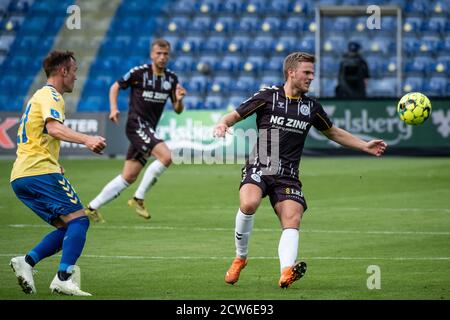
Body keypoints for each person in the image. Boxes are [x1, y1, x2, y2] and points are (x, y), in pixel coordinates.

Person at [213, 52, 386, 288]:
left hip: (288, 175)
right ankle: (240, 258)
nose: (311, 77)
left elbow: (332, 132)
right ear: (291, 72)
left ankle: (286, 271)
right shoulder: (268, 96)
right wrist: (223, 124)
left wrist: (364, 145)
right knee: (249, 204)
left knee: (292, 219)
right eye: (307, 72)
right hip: (260, 166)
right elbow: (234, 115)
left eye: (312, 73)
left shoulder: (311, 107)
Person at [9, 50, 107, 296]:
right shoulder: (51, 95)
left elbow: (35, 134)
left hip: (21, 176)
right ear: (63, 71)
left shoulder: (37, 97)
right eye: (74, 71)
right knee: (80, 220)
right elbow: (53, 128)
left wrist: (54, 161)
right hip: (39, 171)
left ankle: (27, 262)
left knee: (66, 227)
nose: (76, 77)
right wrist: (86, 139)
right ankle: (63, 277)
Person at [85, 38, 186, 222]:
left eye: (165, 54)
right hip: (136, 124)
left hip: (149, 129)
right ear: (151, 55)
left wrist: (179, 100)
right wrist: (114, 108)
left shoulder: (172, 79)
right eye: (159, 53)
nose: (162, 57)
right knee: (167, 157)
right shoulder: (139, 73)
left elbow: (178, 110)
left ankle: (92, 207)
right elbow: (115, 86)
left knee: (129, 176)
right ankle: (138, 198)